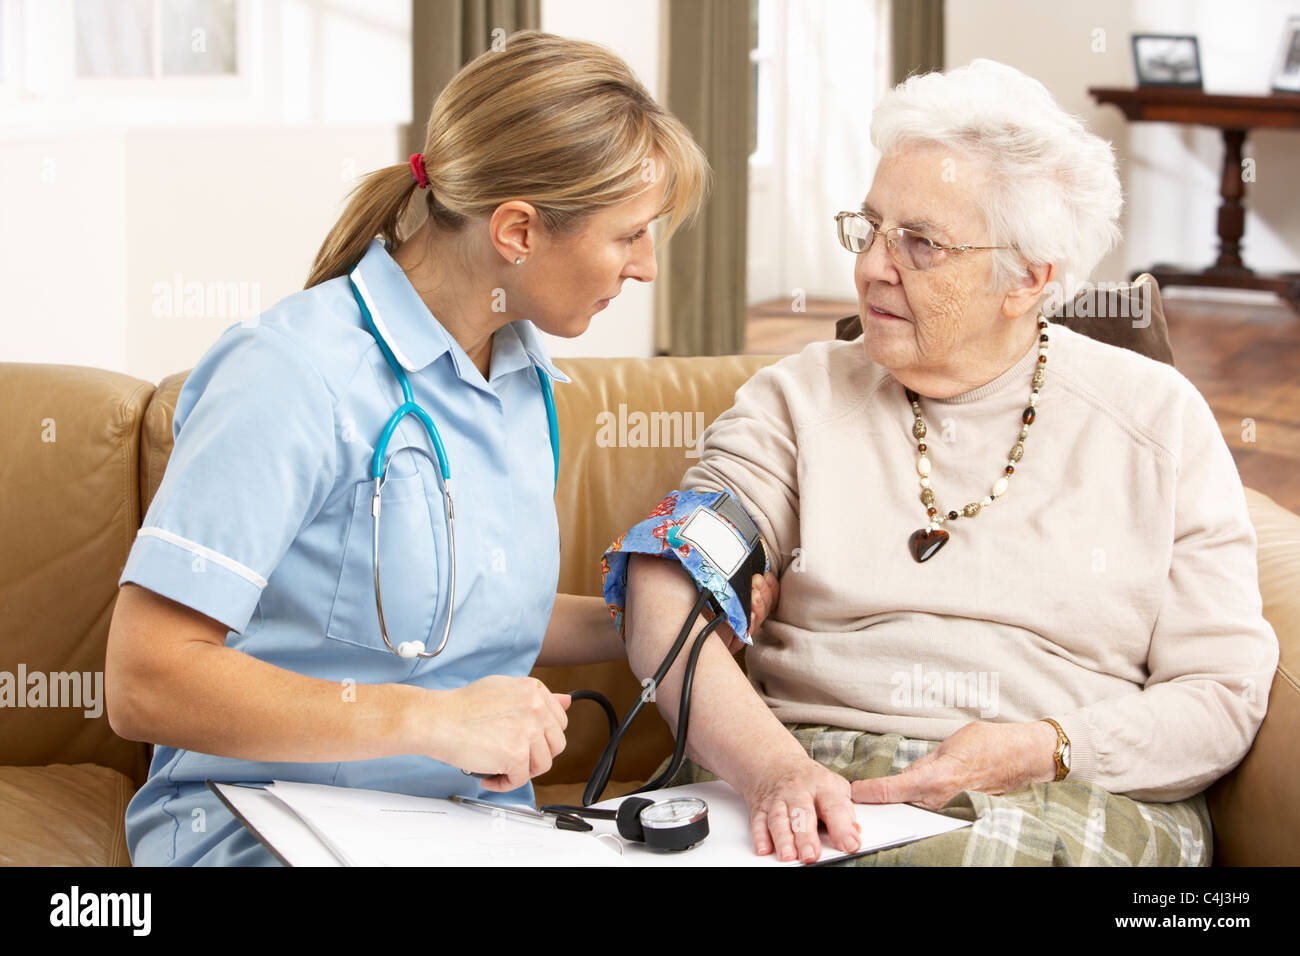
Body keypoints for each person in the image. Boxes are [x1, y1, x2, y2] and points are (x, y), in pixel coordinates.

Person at [104, 31, 772, 866]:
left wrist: (660, 615)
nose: (645, 267)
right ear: (518, 232)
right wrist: (431, 720)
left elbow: (466, 617)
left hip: (469, 833)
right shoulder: (290, 374)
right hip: (264, 828)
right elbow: (145, 680)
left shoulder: (523, 380)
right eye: (630, 234)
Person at [618, 59, 1280, 866]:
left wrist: (1047, 745)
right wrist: (776, 772)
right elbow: (666, 581)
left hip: (1057, 791)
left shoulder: (1155, 420)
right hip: (800, 770)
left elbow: (1222, 695)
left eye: (921, 245)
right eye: (868, 229)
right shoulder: (797, 401)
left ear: (1028, 280)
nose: (869, 268)